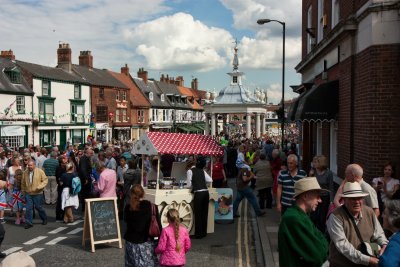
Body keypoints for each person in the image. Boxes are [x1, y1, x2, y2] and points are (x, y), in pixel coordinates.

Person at [327, 182, 388, 267]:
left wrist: (384, 245)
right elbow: (342, 246)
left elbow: (378, 234)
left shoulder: (369, 212)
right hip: (342, 264)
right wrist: (368, 260)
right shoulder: (336, 216)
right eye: (353, 199)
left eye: (359, 198)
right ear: (345, 200)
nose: (357, 202)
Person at [278, 177, 329, 267]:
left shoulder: (301, 215)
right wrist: (323, 247)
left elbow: (322, 242)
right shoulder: (294, 218)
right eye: (317, 196)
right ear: (305, 196)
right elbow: (318, 255)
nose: (320, 200)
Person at [124, 184, 161, 267]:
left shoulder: (128, 207)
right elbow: (159, 226)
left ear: (131, 194)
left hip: (130, 242)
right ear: (143, 193)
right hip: (146, 242)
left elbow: (126, 222)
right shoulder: (151, 206)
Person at [185, 157, 212, 239]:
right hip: (205, 192)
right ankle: (204, 233)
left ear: (189, 166)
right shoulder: (202, 170)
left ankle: (198, 234)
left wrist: (185, 185)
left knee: (198, 214)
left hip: (198, 193)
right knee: (204, 213)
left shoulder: (190, 171)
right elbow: (210, 180)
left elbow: (189, 185)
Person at [21, 160, 48, 229]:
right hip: (28, 193)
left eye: (31, 165)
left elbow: (45, 180)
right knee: (28, 208)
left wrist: (39, 187)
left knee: (38, 207)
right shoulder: (25, 172)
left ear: (34, 165)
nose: (29, 167)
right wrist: (23, 191)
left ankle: (44, 218)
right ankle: (29, 222)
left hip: (38, 193)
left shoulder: (40, 171)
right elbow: (23, 183)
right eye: (28, 165)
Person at [310, 155, 334, 233]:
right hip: (315, 196)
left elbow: (331, 187)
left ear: (320, 163)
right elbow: (309, 183)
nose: (314, 163)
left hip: (325, 197)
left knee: (322, 217)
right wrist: (310, 175)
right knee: (313, 215)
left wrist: (331, 201)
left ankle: (321, 233)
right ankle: (312, 232)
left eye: (315, 162)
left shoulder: (328, 173)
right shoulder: (313, 171)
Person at [379, 197, 400, 266]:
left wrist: (383, 258)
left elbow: (387, 264)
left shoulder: (395, 243)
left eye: (384, 213)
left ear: (392, 218)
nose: (382, 216)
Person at [55, 154, 68, 222]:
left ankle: (63, 215)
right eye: (64, 163)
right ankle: (58, 216)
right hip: (61, 187)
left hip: (65, 187)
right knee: (60, 201)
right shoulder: (59, 169)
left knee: (65, 202)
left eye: (66, 163)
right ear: (61, 163)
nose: (65, 164)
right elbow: (59, 180)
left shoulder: (65, 168)